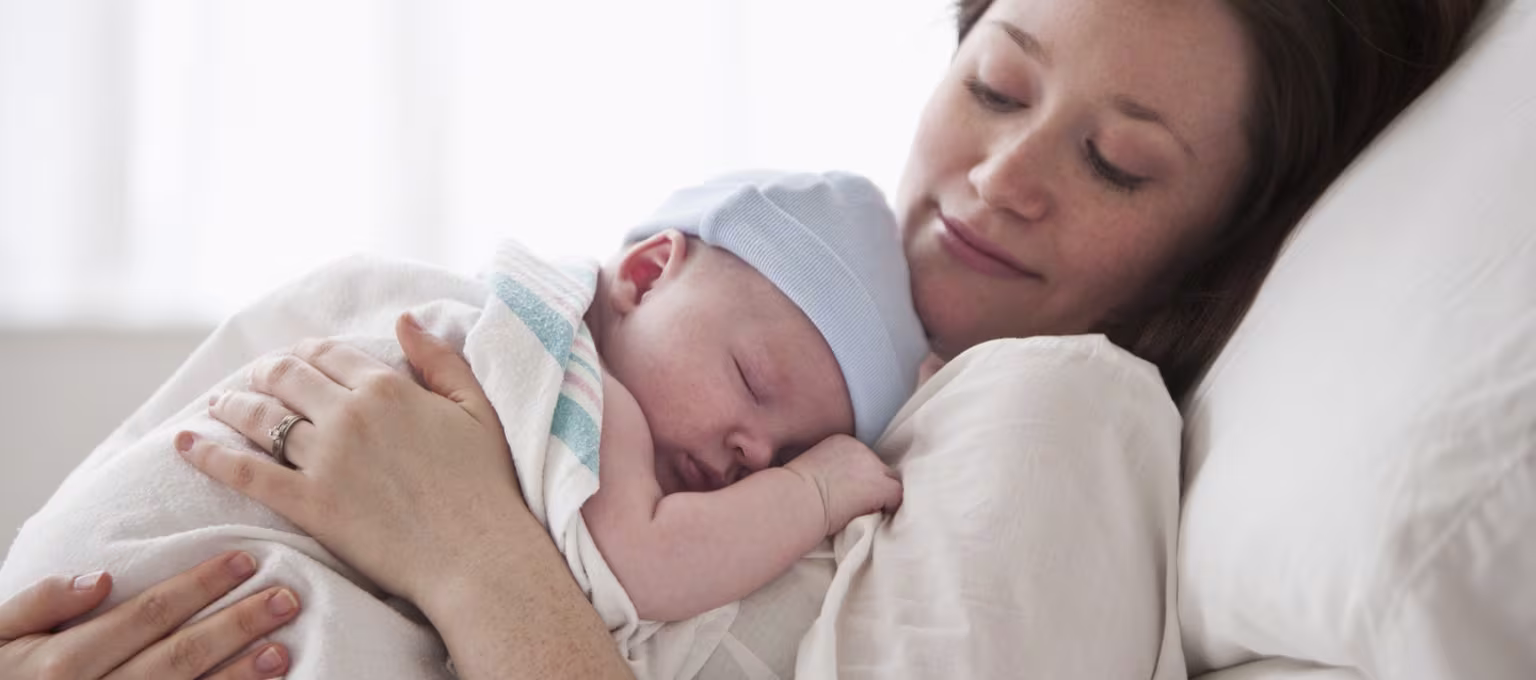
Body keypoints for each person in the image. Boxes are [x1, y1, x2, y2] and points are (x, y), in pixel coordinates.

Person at [0, 0, 1484, 678]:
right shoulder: (713, 317)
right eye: (998, 81)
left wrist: (471, 550)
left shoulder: (1059, 426)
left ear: (1209, 256)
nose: (1003, 176)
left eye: (1117, 165)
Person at [0, 172, 927, 676]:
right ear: (644, 275)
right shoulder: (571, 378)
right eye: (751, 381)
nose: (754, 457)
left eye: (792, 449)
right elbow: (647, 564)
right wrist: (813, 489)